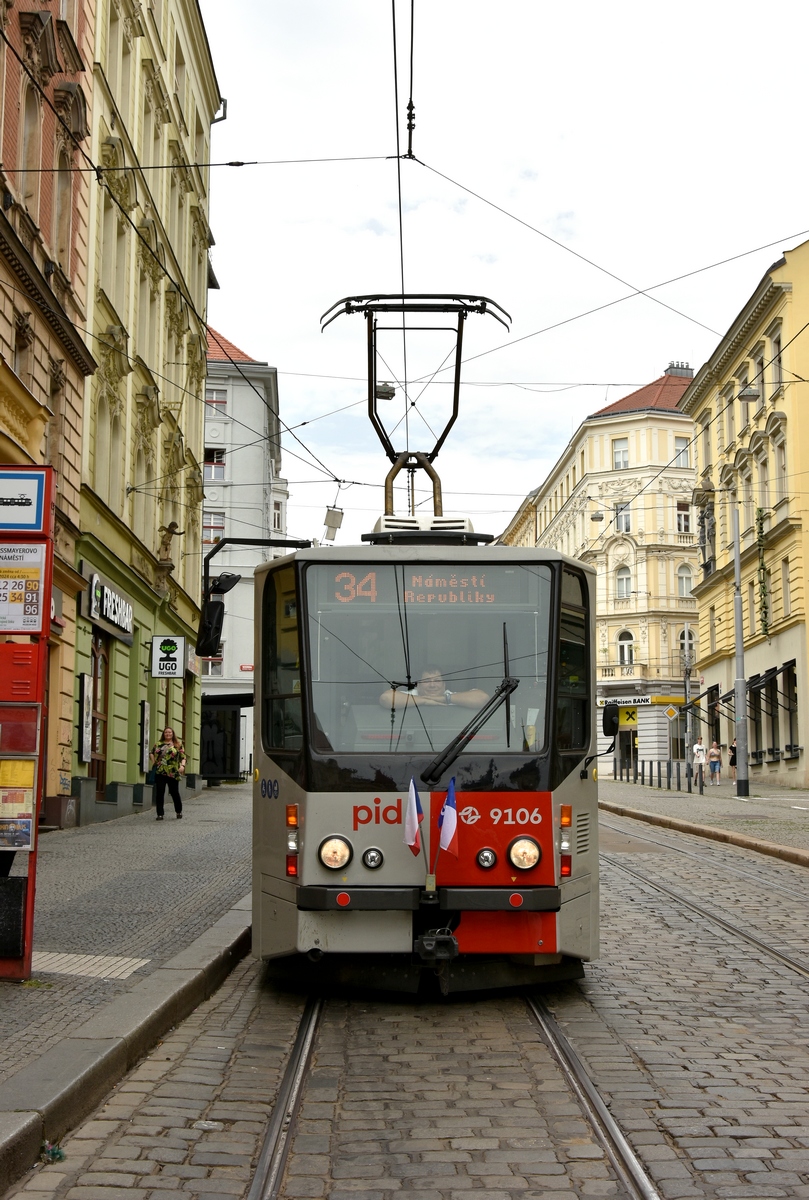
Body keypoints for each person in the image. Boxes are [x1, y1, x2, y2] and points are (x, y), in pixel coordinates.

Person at [379, 667, 488, 711]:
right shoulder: (411, 694)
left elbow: (483, 699)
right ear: (418, 685)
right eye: (427, 681)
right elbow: (386, 698)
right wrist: (424, 700)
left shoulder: (450, 695)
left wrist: (444, 699)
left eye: (437, 681)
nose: (432, 685)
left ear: (444, 685)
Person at [150, 727, 186, 820]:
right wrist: (153, 762)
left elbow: (183, 757)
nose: (168, 734)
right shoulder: (158, 744)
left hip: (173, 772)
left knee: (174, 792)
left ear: (173, 734)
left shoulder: (178, 745)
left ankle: (178, 811)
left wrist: (182, 766)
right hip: (160, 771)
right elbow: (151, 752)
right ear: (163, 734)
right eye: (166, 732)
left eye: (170, 732)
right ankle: (160, 814)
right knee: (160, 792)